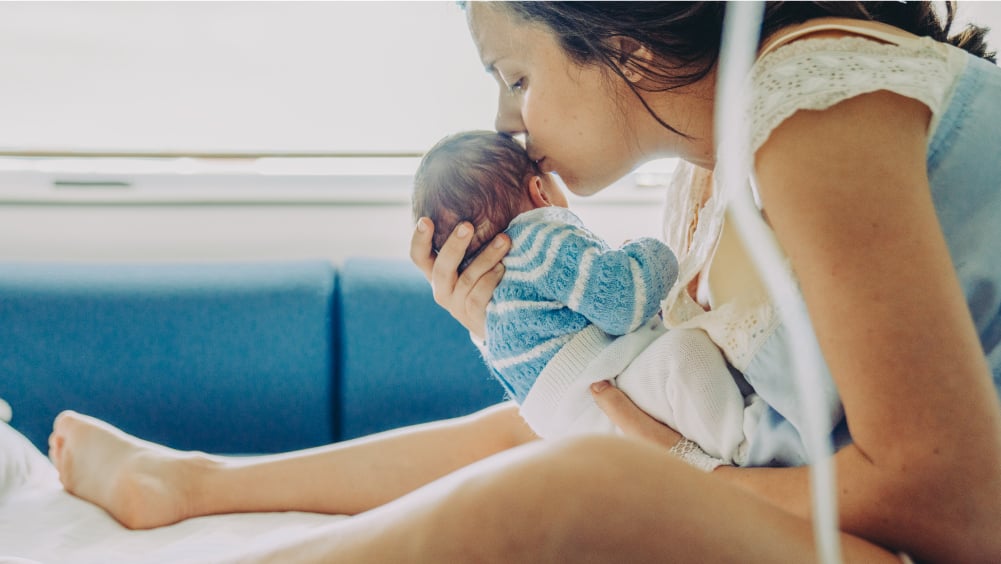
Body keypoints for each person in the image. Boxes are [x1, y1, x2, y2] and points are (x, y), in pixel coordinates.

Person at [46, 2, 1001, 562]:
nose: (503, 120)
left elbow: (951, 499)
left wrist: (678, 478)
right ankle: (196, 485)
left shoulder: (816, 100)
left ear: (615, 38)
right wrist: (512, 340)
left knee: (579, 477)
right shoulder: (718, 163)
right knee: (555, 425)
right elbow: (642, 410)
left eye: (513, 74)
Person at [413, 129, 764, 466]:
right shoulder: (540, 238)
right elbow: (622, 303)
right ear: (540, 191)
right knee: (684, 354)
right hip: (611, 392)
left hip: (579, 427)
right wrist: (651, 253)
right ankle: (742, 447)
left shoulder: (494, 307)